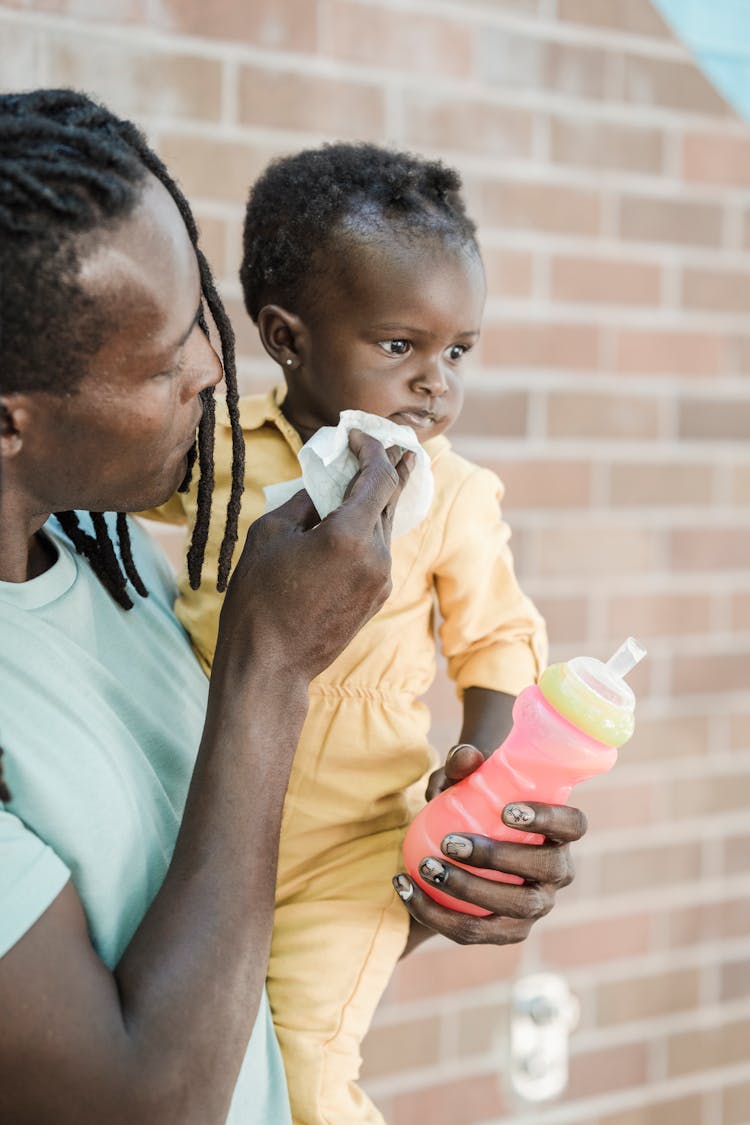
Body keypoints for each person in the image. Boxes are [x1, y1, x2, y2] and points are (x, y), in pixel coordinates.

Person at [0, 91, 585, 1124]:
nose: (214, 370)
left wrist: (435, 866)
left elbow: (223, 893)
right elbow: (148, 1100)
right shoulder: (219, 497)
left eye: (205, 323)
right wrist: (271, 662)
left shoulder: (109, 553)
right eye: (170, 347)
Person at [144, 142, 551, 1125]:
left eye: (458, 352)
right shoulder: (219, 449)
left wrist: (484, 786)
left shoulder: (452, 496)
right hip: (196, 816)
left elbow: (496, 644)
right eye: (399, 346)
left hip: (355, 852)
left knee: (306, 1064)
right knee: (196, 1050)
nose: (435, 384)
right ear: (288, 337)